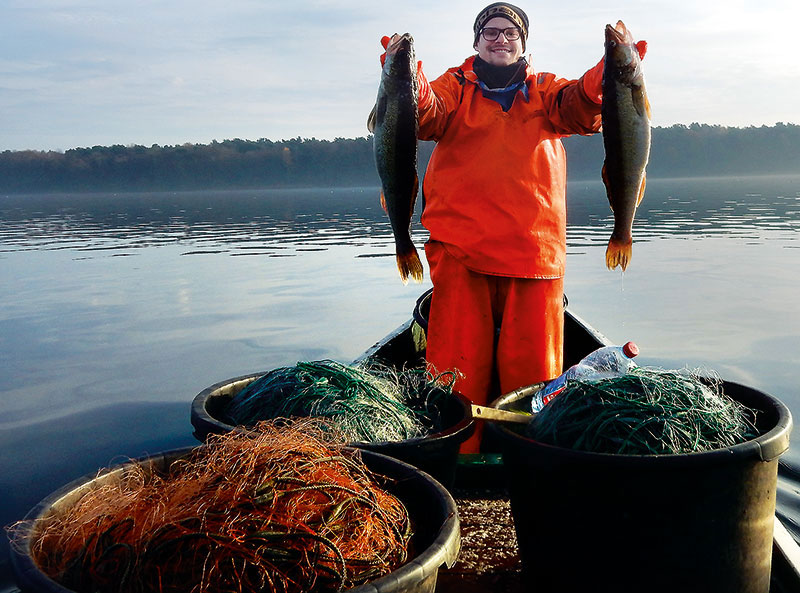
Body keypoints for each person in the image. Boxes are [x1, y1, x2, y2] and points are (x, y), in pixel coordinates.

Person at [380, 3, 645, 453]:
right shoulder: (453, 87)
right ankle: (457, 457)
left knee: (533, 378)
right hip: (461, 251)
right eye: (490, 32)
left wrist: (608, 72)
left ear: (524, 43)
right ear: (476, 41)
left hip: (534, 255)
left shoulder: (546, 91)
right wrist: (404, 78)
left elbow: (581, 108)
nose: (500, 39)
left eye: (510, 33)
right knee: (455, 373)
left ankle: (528, 459)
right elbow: (427, 113)